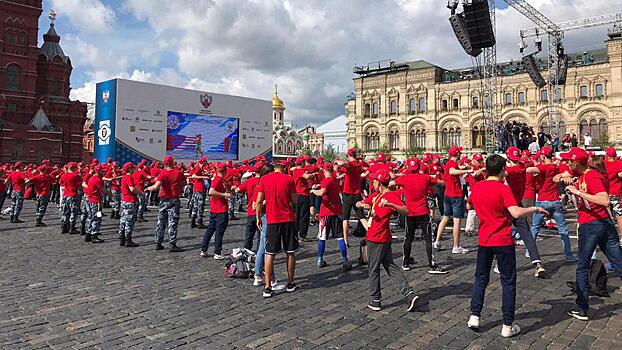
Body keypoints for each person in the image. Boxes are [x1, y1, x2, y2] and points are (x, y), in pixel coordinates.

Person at [467, 154, 548, 338]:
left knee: (480, 278)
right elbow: (516, 212)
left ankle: (475, 315)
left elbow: (469, 205)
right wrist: (534, 209)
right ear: (503, 169)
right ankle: (507, 325)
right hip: (502, 240)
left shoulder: (478, 187)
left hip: (484, 240)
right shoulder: (503, 189)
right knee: (508, 282)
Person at [560, 148, 622, 321]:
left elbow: (604, 200)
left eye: (569, 162)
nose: (567, 164)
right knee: (618, 262)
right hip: (602, 223)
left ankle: (582, 308)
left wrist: (578, 192)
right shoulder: (582, 176)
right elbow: (559, 178)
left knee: (583, 266)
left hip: (592, 224)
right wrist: (571, 189)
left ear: (576, 163)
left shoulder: (592, 176)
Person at [356, 169, 419, 312]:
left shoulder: (389, 196)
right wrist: (363, 205)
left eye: (373, 181)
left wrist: (391, 206)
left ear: (378, 182)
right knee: (390, 267)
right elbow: (359, 203)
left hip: (377, 237)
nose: (372, 183)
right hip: (380, 237)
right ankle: (409, 294)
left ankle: (375, 299)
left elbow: (406, 210)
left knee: (373, 269)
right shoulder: (376, 196)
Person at [389, 158, 447, 274]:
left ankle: (405, 262)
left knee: (408, 237)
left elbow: (390, 184)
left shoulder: (404, 178)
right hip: (423, 212)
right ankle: (432, 264)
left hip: (410, 212)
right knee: (428, 239)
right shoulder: (425, 178)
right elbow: (441, 183)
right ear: (419, 167)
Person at [255, 161, 298, 298]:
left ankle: (267, 287)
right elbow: (295, 200)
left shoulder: (264, 179)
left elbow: (259, 201)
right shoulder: (289, 179)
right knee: (290, 252)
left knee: (270, 254)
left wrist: (258, 217)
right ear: (284, 169)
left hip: (272, 219)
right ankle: (291, 283)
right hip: (287, 219)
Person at [526, 146, 578, 261]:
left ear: (543, 156)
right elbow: (569, 173)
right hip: (555, 201)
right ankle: (569, 254)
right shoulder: (557, 166)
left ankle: (529, 251)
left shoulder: (544, 167)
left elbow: (529, 170)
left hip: (542, 201)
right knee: (563, 229)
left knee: (535, 228)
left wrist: (533, 167)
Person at [310, 163, 352, 270]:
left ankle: (320, 259)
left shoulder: (327, 180)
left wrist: (313, 191)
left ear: (324, 171)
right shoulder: (335, 180)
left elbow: (322, 192)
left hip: (326, 212)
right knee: (340, 237)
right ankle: (344, 259)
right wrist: (319, 185)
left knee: (322, 237)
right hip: (336, 211)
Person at [434, 146, 473, 254]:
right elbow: (452, 171)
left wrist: (464, 168)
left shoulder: (449, 163)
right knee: (457, 221)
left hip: (447, 194)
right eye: (459, 153)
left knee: (445, 218)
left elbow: (454, 169)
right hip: (456, 195)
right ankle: (456, 246)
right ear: (457, 154)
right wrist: (469, 170)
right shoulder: (451, 165)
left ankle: (437, 241)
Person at [147, 156, 186, 252]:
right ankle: (172, 244)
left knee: (161, 221)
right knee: (172, 222)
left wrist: (147, 188)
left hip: (164, 199)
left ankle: (158, 242)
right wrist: (176, 186)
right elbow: (184, 183)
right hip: (174, 199)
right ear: (172, 163)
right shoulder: (178, 173)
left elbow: (156, 187)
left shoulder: (162, 173)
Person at [201, 163, 231, 259]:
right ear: (225, 171)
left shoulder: (220, 179)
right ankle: (217, 252)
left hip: (216, 208)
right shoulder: (218, 179)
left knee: (211, 229)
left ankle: (204, 249)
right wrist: (224, 195)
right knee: (219, 231)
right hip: (220, 209)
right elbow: (211, 192)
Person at [336, 148, 365, 247]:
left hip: (348, 194)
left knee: (345, 218)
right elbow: (344, 170)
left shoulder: (351, 164)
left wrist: (338, 162)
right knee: (361, 217)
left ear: (348, 156)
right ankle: (370, 234)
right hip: (357, 193)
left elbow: (343, 165)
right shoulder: (359, 164)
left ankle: (346, 240)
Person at [236, 163, 262, 250]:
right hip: (262, 212)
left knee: (249, 235)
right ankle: (259, 255)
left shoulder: (249, 181)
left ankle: (247, 254)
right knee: (260, 237)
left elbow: (238, 190)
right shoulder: (264, 180)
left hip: (251, 211)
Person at [119, 162, 142, 247]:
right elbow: (132, 189)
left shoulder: (124, 177)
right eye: (133, 168)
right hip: (130, 201)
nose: (134, 169)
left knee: (123, 220)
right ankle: (128, 240)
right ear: (129, 169)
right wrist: (141, 193)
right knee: (130, 221)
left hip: (125, 200)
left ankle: (122, 238)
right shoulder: (129, 177)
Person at [291, 157, 313, 242]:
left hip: (296, 195)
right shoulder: (300, 171)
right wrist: (313, 175)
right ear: (302, 163)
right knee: (304, 216)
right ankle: (302, 235)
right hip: (303, 195)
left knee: (297, 216)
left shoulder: (295, 170)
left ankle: (295, 234)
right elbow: (307, 176)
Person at [85, 165, 108, 243]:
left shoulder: (91, 178)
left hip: (91, 200)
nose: (104, 172)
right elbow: (103, 190)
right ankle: (94, 235)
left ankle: (88, 234)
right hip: (97, 202)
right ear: (98, 171)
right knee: (97, 218)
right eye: (102, 171)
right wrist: (111, 195)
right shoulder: (98, 179)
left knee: (90, 217)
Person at [59, 163, 82, 234]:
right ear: (74, 168)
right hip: (73, 195)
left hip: (66, 194)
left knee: (65, 211)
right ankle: (72, 228)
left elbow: (61, 182)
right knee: (73, 212)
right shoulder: (76, 175)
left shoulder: (63, 175)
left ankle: (64, 227)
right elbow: (80, 184)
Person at [190, 158, 209, 229]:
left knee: (195, 205)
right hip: (199, 189)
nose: (206, 162)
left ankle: (193, 222)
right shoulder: (198, 168)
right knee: (200, 206)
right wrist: (203, 177)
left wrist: (204, 174)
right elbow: (193, 176)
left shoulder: (199, 168)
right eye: (205, 161)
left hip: (197, 188)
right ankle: (199, 222)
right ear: (202, 162)